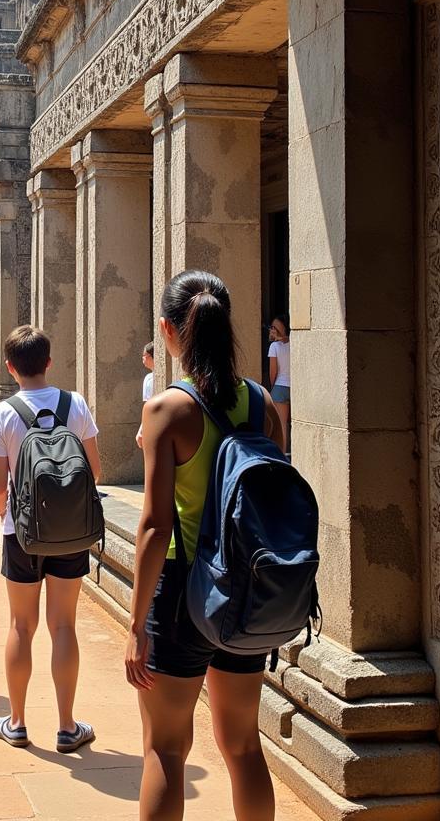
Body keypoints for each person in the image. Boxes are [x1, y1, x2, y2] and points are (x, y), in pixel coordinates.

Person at [125, 270, 281, 821]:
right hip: (245, 590)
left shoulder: (168, 409)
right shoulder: (261, 403)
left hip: (181, 591)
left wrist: (136, 621)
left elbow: (154, 527)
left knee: (166, 747)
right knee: (242, 745)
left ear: (167, 330)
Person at [0, 325, 102, 753]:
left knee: (21, 625)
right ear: (49, 362)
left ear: (11, 368)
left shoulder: (2, 413)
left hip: (22, 533)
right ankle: (67, 726)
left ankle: (16, 722)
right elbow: (96, 472)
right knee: (64, 625)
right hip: (70, 532)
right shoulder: (76, 405)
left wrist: (6, 515)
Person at [268, 314, 291, 454]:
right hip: (295, 386)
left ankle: (282, 453)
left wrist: (272, 386)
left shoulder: (274, 347)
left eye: (272, 327)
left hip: (280, 386)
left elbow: (273, 372)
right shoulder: (295, 342)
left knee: (282, 424)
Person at [135, 342, 155, 450]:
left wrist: (141, 430)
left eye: (144, 356)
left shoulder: (149, 379)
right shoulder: (149, 378)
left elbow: (147, 406)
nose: (143, 359)